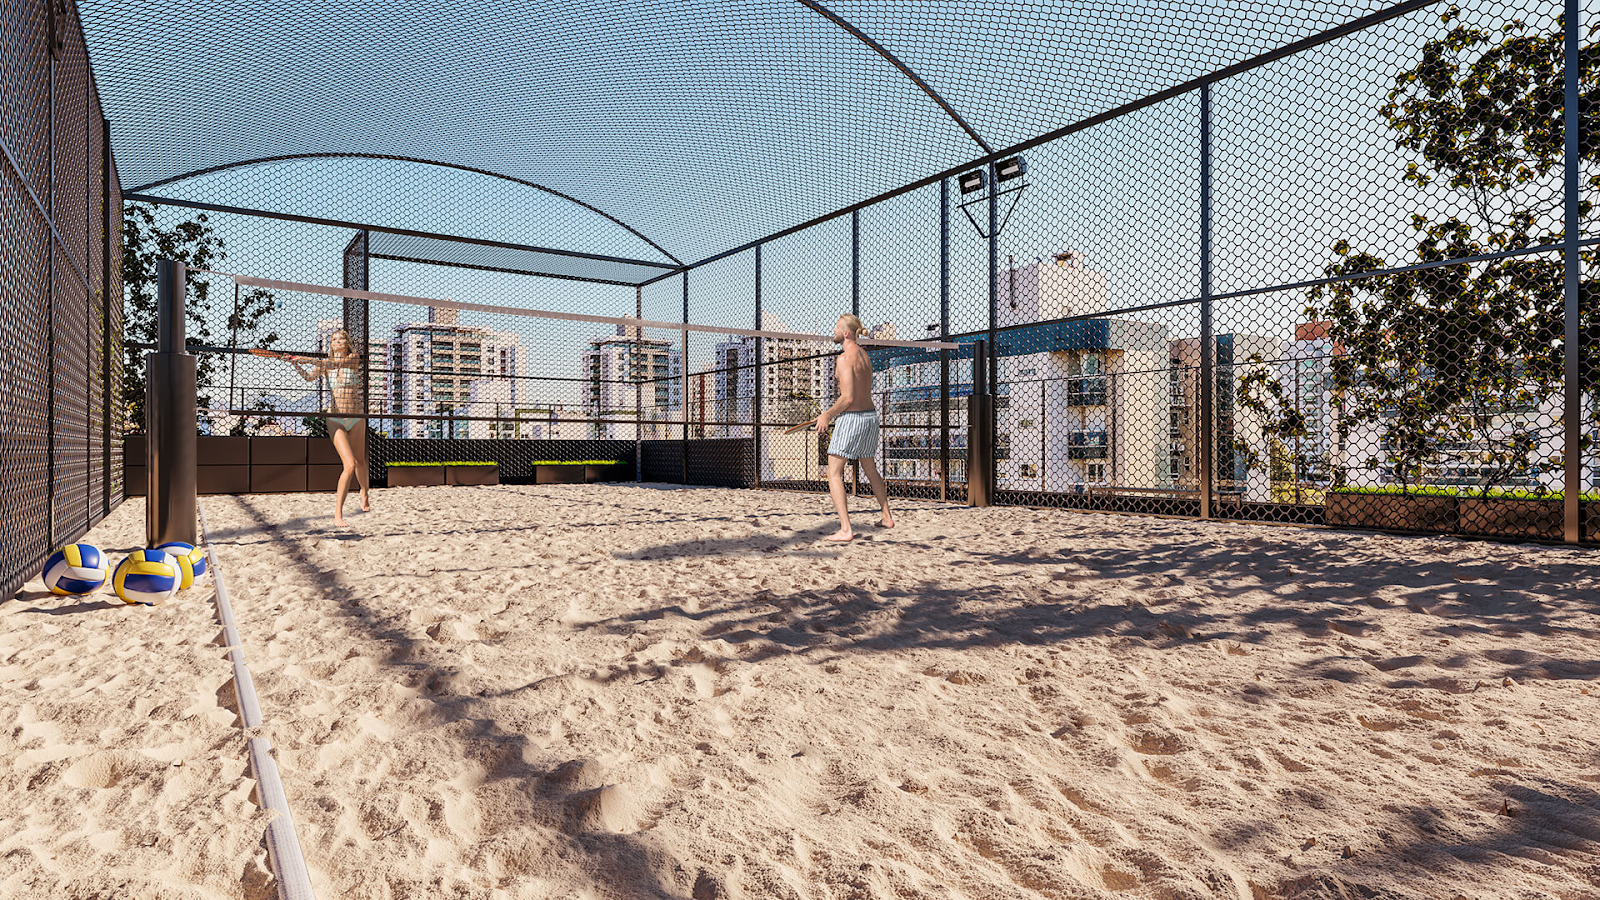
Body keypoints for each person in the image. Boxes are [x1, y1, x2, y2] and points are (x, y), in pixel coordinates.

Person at [252, 330, 370, 526]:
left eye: (341, 338)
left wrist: (304, 357)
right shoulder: (326, 365)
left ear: (347, 342)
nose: (337, 341)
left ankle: (364, 492)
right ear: (331, 344)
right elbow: (308, 378)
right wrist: (297, 364)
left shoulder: (353, 358)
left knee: (360, 461)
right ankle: (338, 515)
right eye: (334, 339)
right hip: (335, 418)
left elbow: (334, 364)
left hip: (357, 417)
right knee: (349, 465)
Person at [806, 313, 894, 542]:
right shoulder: (864, 356)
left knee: (833, 472)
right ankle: (886, 516)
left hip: (852, 418)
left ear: (846, 333)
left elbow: (848, 398)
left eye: (837, 327)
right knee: (870, 468)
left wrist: (826, 415)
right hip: (870, 417)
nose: (834, 330)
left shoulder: (844, 359)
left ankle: (846, 529)